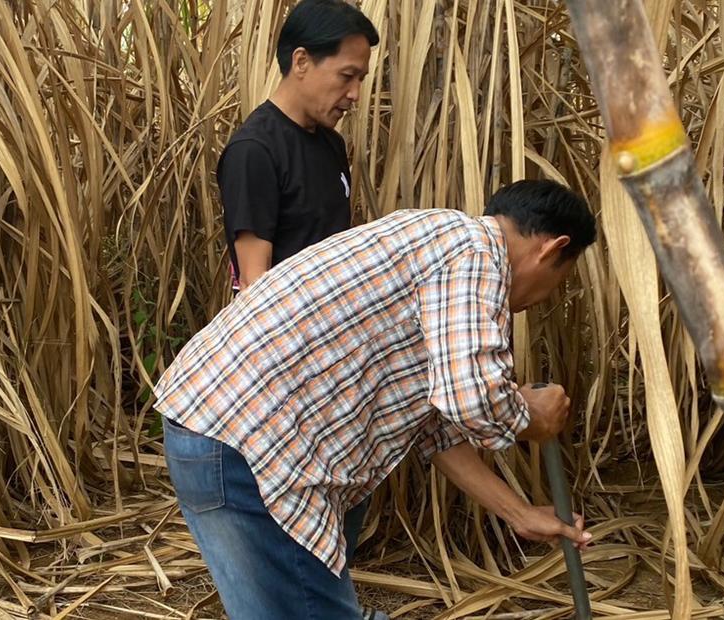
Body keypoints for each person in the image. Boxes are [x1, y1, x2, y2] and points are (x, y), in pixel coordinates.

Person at [154, 180, 598, 619]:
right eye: (558, 280)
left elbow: (437, 423)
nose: (544, 298)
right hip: (252, 446)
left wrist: (517, 512)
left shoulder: (433, 242)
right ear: (551, 248)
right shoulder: (476, 252)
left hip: (219, 430)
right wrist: (530, 418)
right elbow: (473, 397)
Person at [218, 0, 378, 291]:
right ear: (301, 61)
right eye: (346, 76)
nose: (355, 93)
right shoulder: (254, 151)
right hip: (285, 332)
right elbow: (255, 283)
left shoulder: (332, 144)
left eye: (360, 79)